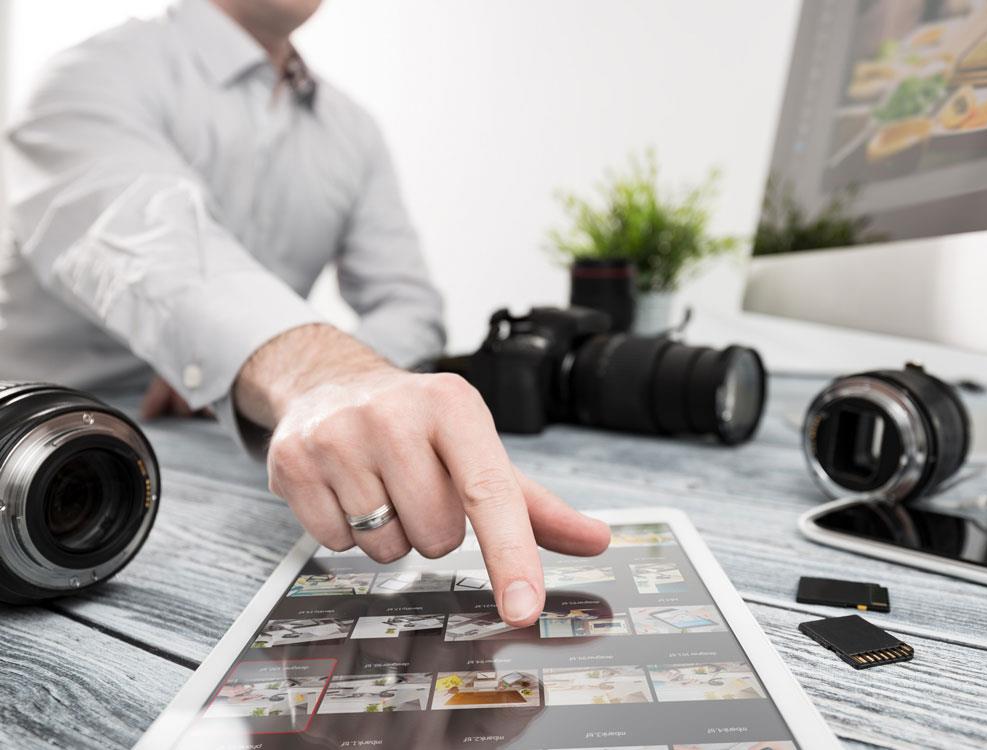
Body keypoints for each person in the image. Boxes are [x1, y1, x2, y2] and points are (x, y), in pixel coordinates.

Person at [0, 0, 610, 627]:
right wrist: (293, 368)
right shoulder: (90, 76)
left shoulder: (353, 131)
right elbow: (146, 236)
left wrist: (316, 389)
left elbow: (409, 304)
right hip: (37, 483)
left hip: (246, 471)